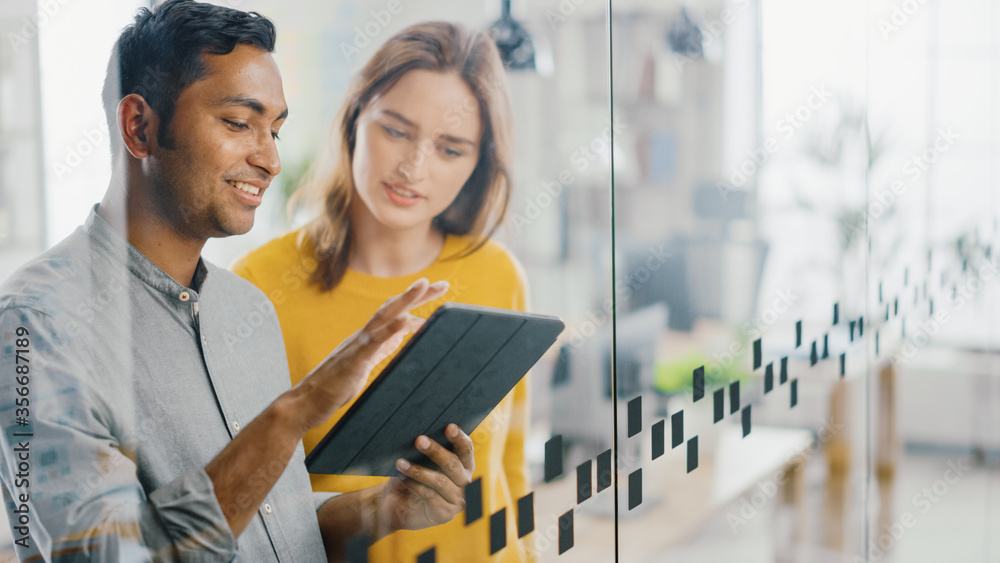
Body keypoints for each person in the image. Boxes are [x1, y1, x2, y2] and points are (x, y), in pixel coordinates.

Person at [0, 2, 476, 561]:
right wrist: (295, 412)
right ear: (139, 126)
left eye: (274, 129)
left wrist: (386, 508)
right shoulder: (34, 326)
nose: (271, 159)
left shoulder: (246, 309)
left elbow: (277, 526)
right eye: (238, 123)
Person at [232, 21, 533, 562]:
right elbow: (256, 524)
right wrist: (381, 510)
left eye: (450, 148)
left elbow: (510, 470)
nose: (413, 168)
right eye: (395, 130)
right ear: (354, 119)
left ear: (477, 163)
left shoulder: (498, 276)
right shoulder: (258, 288)